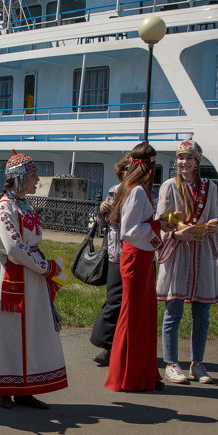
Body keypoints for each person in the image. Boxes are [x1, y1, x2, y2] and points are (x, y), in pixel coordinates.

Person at [0, 151, 67, 409]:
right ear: (19, 177)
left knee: (32, 332)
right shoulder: (4, 207)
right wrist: (45, 268)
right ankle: (3, 387)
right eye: (33, 174)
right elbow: (14, 247)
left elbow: (31, 241)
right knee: (7, 333)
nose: (37, 179)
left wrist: (42, 269)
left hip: (32, 278)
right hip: (13, 277)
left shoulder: (26, 204)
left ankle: (25, 388)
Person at [104, 142, 173, 393]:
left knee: (142, 317)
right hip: (136, 257)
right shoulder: (137, 191)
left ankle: (141, 373)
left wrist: (155, 225)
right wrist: (157, 228)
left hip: (140, 257)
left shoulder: (131, 188)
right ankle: (127, 376)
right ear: (150, 166)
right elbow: (129, 230)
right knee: (133, 318)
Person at [156, 139, 218, 385]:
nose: (183, 162)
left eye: (188, 158)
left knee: (202, 313)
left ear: (197, 162)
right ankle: (172, 363)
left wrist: (212, 227)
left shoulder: (211, 187)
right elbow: (163, 220)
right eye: (180, 158)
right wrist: (176, 233)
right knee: (173, 311)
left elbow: (214, 215)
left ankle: (198, 363)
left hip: (202, 252)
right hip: (179, 252)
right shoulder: (169, 186)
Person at [88, 155, 131, 366]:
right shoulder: (114, 190)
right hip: (116, 253)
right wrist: (102, 212)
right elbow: (104, 224)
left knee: (132, 304)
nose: (128, 173)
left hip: (138, 255)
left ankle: (127, 346)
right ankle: (106, 344)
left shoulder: (147, 192)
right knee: (115, 300)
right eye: (126, 169)